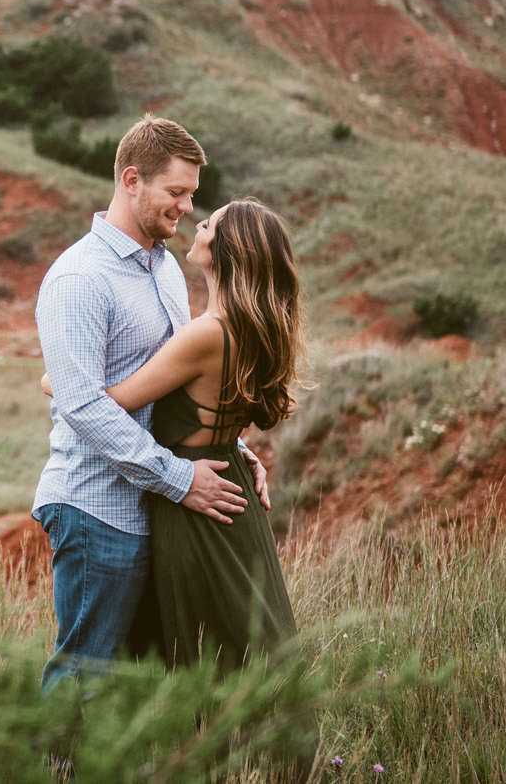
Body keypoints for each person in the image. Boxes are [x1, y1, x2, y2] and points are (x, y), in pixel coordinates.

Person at [30, 116, 270, 694]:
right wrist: (179, 479)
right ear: (132, 180)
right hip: (96, 507)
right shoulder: (79, 279)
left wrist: (230, 446)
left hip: (154, 510)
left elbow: (173, 384)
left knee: (134, 691)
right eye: (176, 192)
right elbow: (83, 408)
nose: (187, 207)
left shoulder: (163, 267)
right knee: (84, 679)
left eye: (191, 194)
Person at [82, 196, 307, 670]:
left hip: (195, 504)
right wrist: (241, 449)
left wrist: (55, 379)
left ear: (226, 250)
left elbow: (114, 399)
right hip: (231, 489)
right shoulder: (251, 329)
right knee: (242, 637)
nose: (196, 227)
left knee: (205, 646)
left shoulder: (206, 334)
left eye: (207, 224)